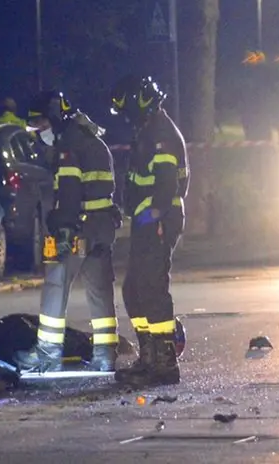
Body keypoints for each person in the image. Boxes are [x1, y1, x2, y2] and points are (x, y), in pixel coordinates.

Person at [13, 90, 122, 373]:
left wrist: (62, 228)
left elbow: (70, 194)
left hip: (76, 229)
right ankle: (105, 354)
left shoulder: (69, 147)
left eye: (41, 125)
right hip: (101, 227)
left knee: (55, 284)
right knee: (99, 291)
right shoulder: (92, 141)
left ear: (55, 119)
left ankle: (47, 354)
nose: (38, 132)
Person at [109, 75, 189, 387]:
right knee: (134, 290)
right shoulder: (148, 129)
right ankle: (149, 356)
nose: (125, 116)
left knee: (152, 288)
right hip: (148, 219)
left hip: (159, 219)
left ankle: (165, 363)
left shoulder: (161, 134)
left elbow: (167, 182)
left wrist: (153, 214)